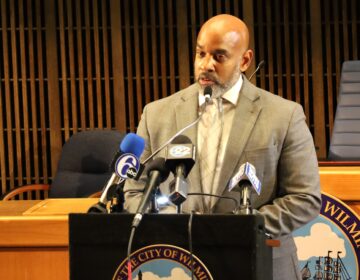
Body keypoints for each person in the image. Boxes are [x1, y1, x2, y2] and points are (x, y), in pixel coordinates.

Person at [124, 14, 321, 280]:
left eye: (219, 56)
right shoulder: (157, 114)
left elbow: (304, 199)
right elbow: (136, 189)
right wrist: (170, 224)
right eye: (200, 54)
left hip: (261, 264)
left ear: (244, 60)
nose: (205, 65)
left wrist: (242, 226)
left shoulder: (284, 116)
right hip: (179, 265)